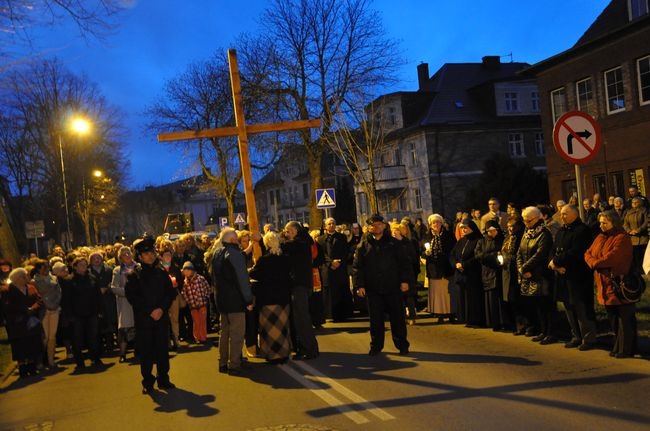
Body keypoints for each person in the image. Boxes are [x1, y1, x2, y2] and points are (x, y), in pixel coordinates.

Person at [125, 234, 177, 393]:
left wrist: (161, 309)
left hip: (161, 318)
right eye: (146, 254)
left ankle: (163, 378)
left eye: (152, 253)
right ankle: (147, 382)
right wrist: (150, 311)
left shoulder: (161, 272)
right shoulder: (134, 275)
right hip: (144, 319)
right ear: (140, 256)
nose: (150, 256)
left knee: (162, 350)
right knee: (146, 352)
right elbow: (133, 297)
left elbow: (170, 293)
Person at [353, 214, 411, 356]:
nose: (377, 227)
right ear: (369, 227)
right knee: (376, 320)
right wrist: (359, 285)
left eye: (379, 224)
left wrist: (405, 281)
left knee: (397, 318)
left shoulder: (393, 243)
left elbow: (404, 263)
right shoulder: (364, 244)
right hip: (373, 288)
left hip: (393, 286)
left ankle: (402, 345)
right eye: (374, 225)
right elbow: (357, 266)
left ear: (384, 226)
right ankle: (376, 346)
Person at [585, 210, 636, 358]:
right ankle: (617, 345)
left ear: (614, 222)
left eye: (605, 223)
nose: (601, 225)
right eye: (600, 222)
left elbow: (612, 258)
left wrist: (594, 263)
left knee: (624, 318)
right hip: (604, 284)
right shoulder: (600, 237)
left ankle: (627, 348)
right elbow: (587, 253)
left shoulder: (622, 238)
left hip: (619, 283)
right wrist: (593, 262)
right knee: (613, 318)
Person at [549, 205, 597, 350]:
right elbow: (553, 249)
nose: (562, 216)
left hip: (578, 276)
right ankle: (575, 335)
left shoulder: (582, 230)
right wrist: (554, 264)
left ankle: (588, 338)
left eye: (565, 214)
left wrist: (557, 261)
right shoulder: (562, 230)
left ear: (575, 214)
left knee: (582, 308)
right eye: (561, 214)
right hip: (563, 276)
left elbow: (577, 251)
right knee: (569, 307)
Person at [211, 227, 254, 375]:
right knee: (237, 333)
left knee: (224, 332)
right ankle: (234, 364)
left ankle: (222, 362)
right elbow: (242, 279)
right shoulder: (234, 254)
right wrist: (248, 299)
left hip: (221, 299)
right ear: (232, 240)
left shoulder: (216, 253)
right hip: (235, 300)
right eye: (235, 238)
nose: (237, 240)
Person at [249, 231, 293, 364]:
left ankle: (273, 354)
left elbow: (254, 274)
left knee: (270, 328)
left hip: (268, 299)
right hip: (283, 298)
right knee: (283, 327)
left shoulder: (264, 260)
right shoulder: (285, 258)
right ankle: (284, 353)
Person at [281, 221, 320, 360]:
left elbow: (284, 246)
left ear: (294, 230)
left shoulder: (300, 243)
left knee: (302, 318)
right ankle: (305, 347)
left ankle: (309, 349)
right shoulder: (302, 242)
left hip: (300, 285)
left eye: (287, 231)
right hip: (300, 284)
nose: (286, 234)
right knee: (299, 318)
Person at [517, 207, 554, 345]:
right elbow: (520, 251)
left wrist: (525, 267)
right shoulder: (527, 232)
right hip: (529, 275)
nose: (526, 222)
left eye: (528, 220)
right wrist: (521, 269)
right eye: (524, 220)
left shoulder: (544, 233)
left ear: (537, 218)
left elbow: (540, 254)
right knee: (537, 305)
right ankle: (542, 331)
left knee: (546, 305)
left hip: (541, 275)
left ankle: (550, 332)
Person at [1, 268, 43, 378]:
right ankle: (23, 370)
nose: (27, 278)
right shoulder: (7, 290)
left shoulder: (31, 288)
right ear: (17, 278)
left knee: (32, 344)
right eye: (24, 276)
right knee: (20, 346)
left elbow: (39, 300)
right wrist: (24, 310)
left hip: (31, 321)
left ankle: (32, 367)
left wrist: (33, 308)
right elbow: (7, 306)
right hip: (17, 323)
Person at [66, 256, 103, 369]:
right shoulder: (70, 281)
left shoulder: (92, 278)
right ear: (75, 267)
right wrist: (70, 315)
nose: (84, 267)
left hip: (91, 312)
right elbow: (67, 300)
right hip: (77, 314)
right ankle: (80, 361)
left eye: (85, 264)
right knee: (78, 338)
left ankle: (95, 357)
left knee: (93, 336)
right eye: (81, 265)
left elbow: (98, 296)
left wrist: (99, 310)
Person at [421, 213, 456, 323]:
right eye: (433, 223)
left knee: (448, 292)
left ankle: (451, 313)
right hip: (433, 268)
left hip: (446, 267)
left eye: (438, 222)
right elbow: (421, 252)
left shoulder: (448, 235)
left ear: (441, 223)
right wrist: (426, 253)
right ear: (430, 225)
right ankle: (440, 314)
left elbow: (453, 250)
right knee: (437, 292)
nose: (436, 224)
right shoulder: (427, 237)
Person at [450, 218, 484, 327]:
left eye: (465, 227)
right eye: (462, 228)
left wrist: (464, 265)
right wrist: (456, 264)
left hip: (472, 273)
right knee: (462, 297)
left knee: (473, 298)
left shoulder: (478, 240)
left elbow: (477, 256)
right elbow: (452, 254)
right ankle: (463, 317)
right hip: (460, 274)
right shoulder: (461, 241)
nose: (463, 230)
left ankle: (475, 320)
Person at [319, 217, 353, 322]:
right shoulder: (320, 239)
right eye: (329, 224)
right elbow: (322, 254)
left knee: (341, 289)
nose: (331, 225)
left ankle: (342, 314)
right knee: (328, 291)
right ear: (325, 226)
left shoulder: (342, 237)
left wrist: (338, 262)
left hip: (340, 268)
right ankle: (329, 314)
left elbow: (346, 252)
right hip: (327, 269)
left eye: (333, 223)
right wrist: (330, 263)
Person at [475, 220, 505, 331]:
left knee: (501, 298)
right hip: (488, 271)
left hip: (500, 271)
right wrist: (491, 255)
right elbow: (478, 255)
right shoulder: (482, 241)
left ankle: (504, 321)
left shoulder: (502, 240)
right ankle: (494, 322)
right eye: (489, 231)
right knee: (491, 298)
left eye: (493, 230)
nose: (491, 233)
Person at [32, 259, 62, 368]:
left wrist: (55, 303)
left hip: (54, 308)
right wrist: (45, 303)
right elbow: (38, 295)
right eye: (43, 267)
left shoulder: (54, 278)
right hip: (43, 310)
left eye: (47, 267)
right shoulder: (34, 281)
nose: (46, 269)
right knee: (44, 337)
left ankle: (51, 359)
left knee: (52, 336)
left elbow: (59, 292)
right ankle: (40, 361)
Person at [110, 246, 137, 363]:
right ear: (120, 257)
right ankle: (122, 353)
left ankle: (140, 350)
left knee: (138, 326)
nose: (127, 255)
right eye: (124, 254)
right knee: (125, 329)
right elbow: (114, 287)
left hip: (138, 301)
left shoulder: (138, 267)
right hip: (125, 302)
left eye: (128, 253)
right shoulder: (117, 270)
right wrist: (127, 293)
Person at [500, 216, 526, 334]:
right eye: (509, 226)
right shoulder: (507, 239)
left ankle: (523, 325)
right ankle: (515, 324)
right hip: (507, 272)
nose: (510, 229)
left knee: (518, 300)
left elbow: (520, 255)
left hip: (517, 272)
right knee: (510, 300)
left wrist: (508, 258)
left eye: (513, 226)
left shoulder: (520, 238)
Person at [89, 251, 117, 353]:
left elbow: (113, 282)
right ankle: (99, 346)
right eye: (94, 258)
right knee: (98, 323)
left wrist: (107, 288)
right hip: (95, 301)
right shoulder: (89, 272)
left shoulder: (109, 270)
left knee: (110, 321)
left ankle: (110, 344)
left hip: (108, 299)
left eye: (98, 258)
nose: (97, 260)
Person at [181, 261, 211, 344]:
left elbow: (207, 287)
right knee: (196, 321)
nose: (185, 273)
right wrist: (188, 301)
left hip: (202, 304)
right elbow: (184, 293)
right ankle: (197, 337)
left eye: (187, 270)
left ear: (191, 270)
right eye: (184, 271)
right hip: (193, 305)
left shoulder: (200, 279)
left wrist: (205, 297)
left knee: (202, 321)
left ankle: (203, 336)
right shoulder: (185, 282)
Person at [159, 247, 182, 351]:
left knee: (174, 318)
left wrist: (177, 285)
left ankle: (176, 338)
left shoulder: (175, 268)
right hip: (162, 297)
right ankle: (166, 341)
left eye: (169, 255)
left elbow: (181, 281)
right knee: (164, 320)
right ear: (161, 257)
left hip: (173, 296)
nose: (168, 257)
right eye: (166, 255)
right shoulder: (159, 269)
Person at [623, 196, 648, 273]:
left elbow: (646, 222)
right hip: (633, 239)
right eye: (633, 203)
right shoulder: (629, 212)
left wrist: (639, 230)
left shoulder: (644, 211)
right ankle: (637, 271)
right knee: (635, 257)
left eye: (636, 202)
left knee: (643, 256)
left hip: (643, 238)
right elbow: (625, 223)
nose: (634, 204)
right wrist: (629, 231)